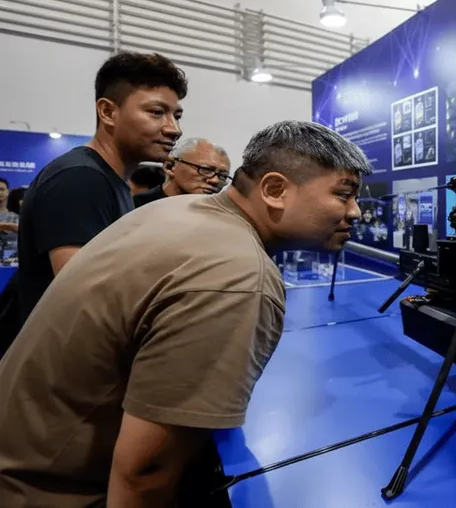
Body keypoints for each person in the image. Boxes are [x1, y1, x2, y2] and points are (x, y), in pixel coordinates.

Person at [0, 120, 372, 507]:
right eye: (343, 195)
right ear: (274, 190)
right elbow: (145, 473)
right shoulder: (237, 276)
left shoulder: (177, 210)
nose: (356, 211)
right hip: (49, 490)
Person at [14, 52, 187, 322]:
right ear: (107, 112)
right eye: (156, 112)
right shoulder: (80, 178)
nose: (173, 128)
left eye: (176, 115)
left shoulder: (112, 181)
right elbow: (84, 299)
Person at [133, 137, 232, 208]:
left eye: (223, 176)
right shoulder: (135, 208)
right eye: (206, 170)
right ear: (170, 166)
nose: (215, 180)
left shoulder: (220, 216)